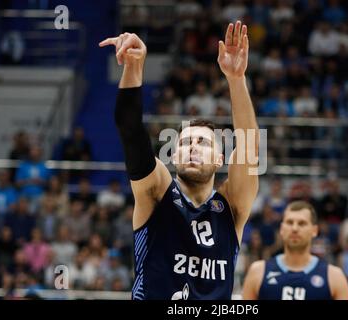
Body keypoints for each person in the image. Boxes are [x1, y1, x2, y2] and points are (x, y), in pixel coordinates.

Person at [99, 20, 259, 300]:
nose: (193, 148)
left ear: (220, 158)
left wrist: (236, 80)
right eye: (185, 142)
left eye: (203, 143)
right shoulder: (158, 191)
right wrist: (134, 68)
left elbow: (248, 147)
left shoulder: (232, 204)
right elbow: (129, 128)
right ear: (174, 155)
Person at [242, 201, 348, 300]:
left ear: (314, 230)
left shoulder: (334, 276)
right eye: (289, 222)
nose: (294, 228)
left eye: (301, 223)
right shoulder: (258, 271)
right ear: (281, 229)